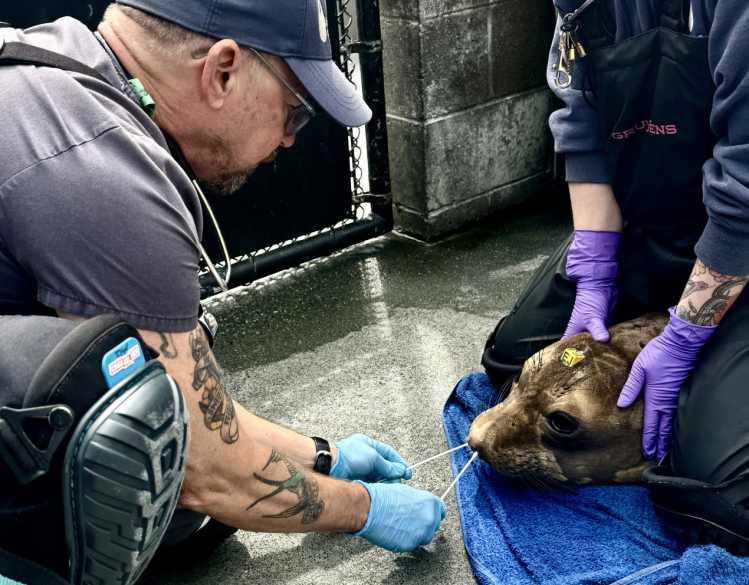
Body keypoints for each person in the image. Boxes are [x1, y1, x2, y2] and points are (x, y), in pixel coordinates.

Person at [0, 0, 445, 582]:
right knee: (130, 426)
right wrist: (363, 510)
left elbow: (203, 417)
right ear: (223, 70)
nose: (289, 140)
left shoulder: (59, 65)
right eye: (295, 112)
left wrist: (323, 454)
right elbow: (204, 467)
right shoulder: (107, 176)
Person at [482, 0, 749, 550]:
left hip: (742, 238)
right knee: (513, 358)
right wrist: (597, 261)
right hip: (654, 222)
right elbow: (579, 118)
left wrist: (686, 335)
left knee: (719, 496)